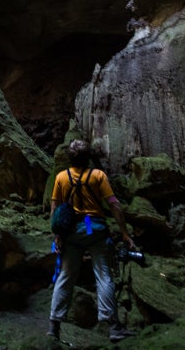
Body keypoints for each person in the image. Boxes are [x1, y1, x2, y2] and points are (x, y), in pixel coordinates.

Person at [46, 139, 136, 342]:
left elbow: (54, 209)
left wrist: (57, 235)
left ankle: (54, 326)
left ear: (70, 158)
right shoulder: (98, 176)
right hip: (93, 227)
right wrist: (124, 233)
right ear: (88, 158)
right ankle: (113, 326)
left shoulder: (61, 177)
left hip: (72, 231)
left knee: (66, 275)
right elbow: (114, 205)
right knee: (104, 276)